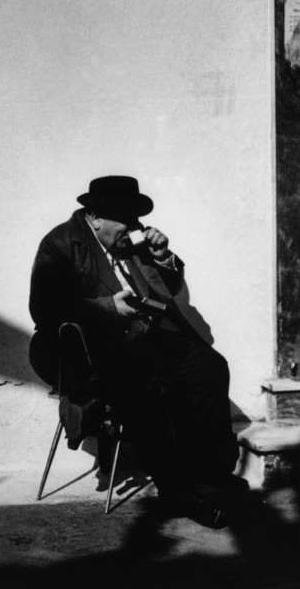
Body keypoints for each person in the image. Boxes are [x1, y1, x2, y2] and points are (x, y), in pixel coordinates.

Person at [28, 175, 244, 529]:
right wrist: (108, 308)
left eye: (134, 219)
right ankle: (176, 492)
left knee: (209, 366)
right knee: (147, 390)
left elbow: (165, 289)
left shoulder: (131, 240)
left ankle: (209, 472)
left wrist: (163, 257)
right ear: (94, 217)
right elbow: (44, 309)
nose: (132, 228)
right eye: (123, 220)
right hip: (80, 350)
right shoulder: (61, 243)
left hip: (137, 340)